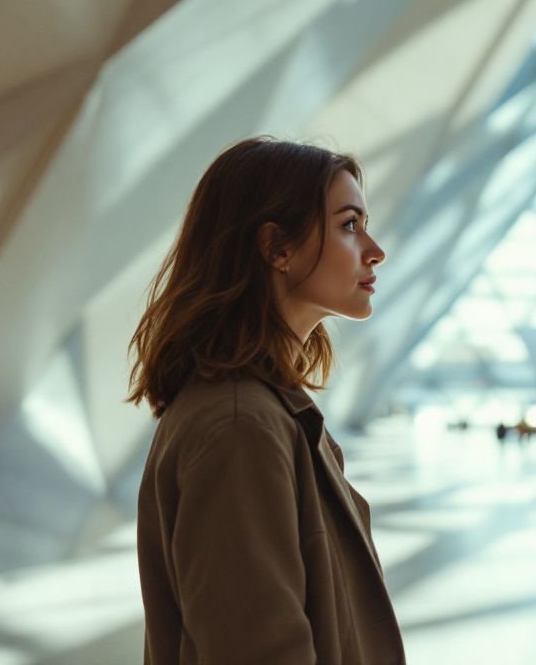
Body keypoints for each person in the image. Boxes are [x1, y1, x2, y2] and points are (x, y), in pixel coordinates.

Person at [127, 137, 404, 664]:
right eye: (349, 225)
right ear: (277, 247)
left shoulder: (259, 412)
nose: (374, 249)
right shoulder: (240, 427)